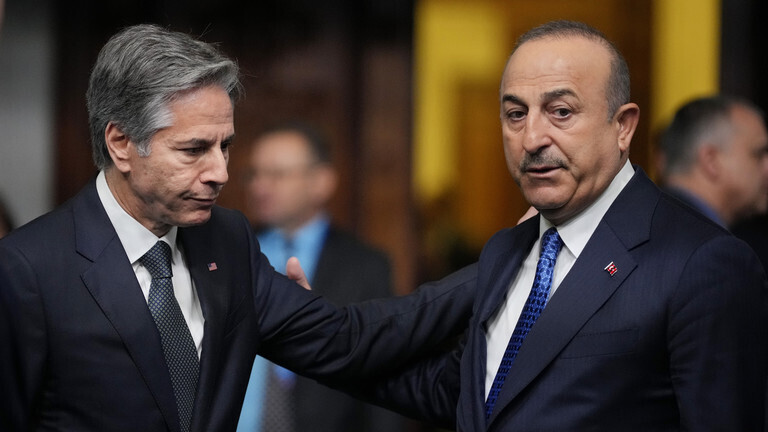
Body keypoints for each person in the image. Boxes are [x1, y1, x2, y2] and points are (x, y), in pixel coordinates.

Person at [0, 24, 477, 432]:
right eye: (194, 150)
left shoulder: (226, 240)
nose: (221, 172)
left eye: (224, 146)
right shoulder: (28, 269)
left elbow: (345, 340)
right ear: (121, 143)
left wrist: (496, 271)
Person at [372, 20, 768, 431]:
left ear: (623, 127)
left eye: (561, 112)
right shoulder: (509, 251)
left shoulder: (704, 262)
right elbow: (473, 395)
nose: (531, 139)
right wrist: (328, 345)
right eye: (515, 114)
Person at [237, 123, 411, 431]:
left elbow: (382, 371)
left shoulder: (366, 266)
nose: (260, 186)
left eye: (277, 174)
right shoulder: (233, 252)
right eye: (254, 174)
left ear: (321, 182)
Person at [657, 95, 768, 228]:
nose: (766, 166)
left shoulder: (652, 220)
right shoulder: (695, 235)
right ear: (711, 162)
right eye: (759, 154)